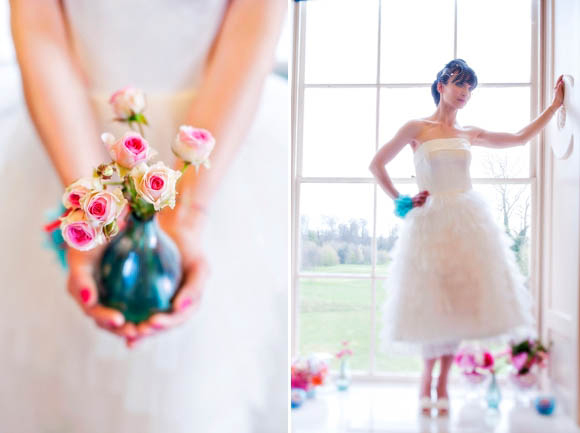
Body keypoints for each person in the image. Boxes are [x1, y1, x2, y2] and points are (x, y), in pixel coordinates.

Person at [1, 0, 287, 432]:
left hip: (220, 142)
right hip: (68, 135)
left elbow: (253, 23)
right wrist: (92, 206)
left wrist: (186, 215)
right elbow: (39, 24)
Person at [369, 59, 564, 417]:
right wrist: (402, 200)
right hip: (429, 224)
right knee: (432, 300)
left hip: (468, 223)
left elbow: (519, 138)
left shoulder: (469, 132)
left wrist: (553, 107)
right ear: (441, 85)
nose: (465, 93)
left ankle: (443, 381)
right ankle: (426, 376)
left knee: (459, 303)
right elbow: (376, 164)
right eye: (459, 84)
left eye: (470, 88)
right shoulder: (417, 127)